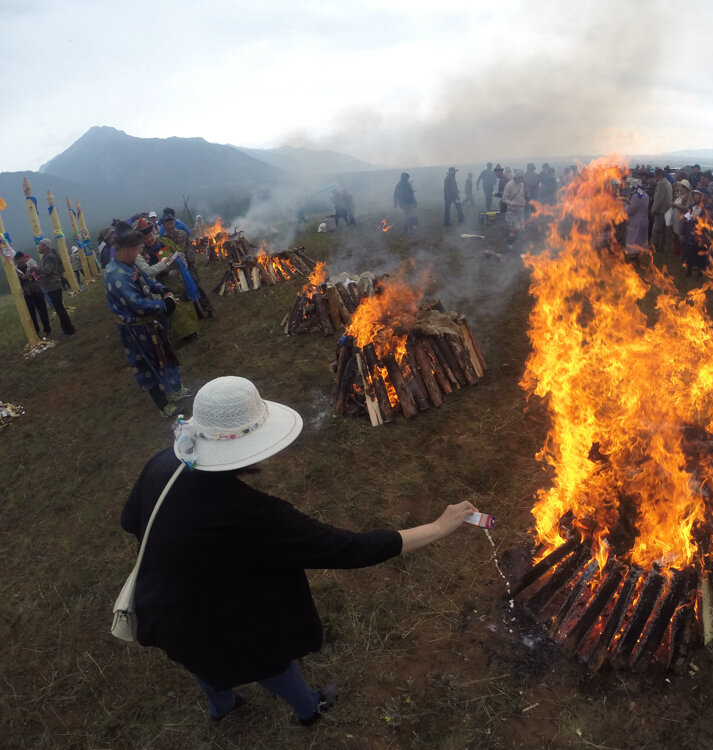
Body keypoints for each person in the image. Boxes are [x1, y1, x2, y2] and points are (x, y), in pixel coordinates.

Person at [120, 375, 478, 724]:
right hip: (226, 620)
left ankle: (222, 706)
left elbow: (129, 519)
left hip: (165, 608)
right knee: (266, 660)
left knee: (201, 659)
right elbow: (349, 549)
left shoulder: (163, 463)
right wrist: (437, 527)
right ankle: (309, 708)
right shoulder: (255, 516)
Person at [104, 221, 188, 416]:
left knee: (166, 356)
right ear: (126, 249)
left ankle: (175, 390)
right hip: (135, 330)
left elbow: (147, 280)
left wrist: (163, 289)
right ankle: (163, 405)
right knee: (148, 366)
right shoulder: (114, 274)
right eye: (136, 249)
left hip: (151, 322)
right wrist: (164, 305)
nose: (139, 252)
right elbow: (136, 304)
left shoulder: (130, 263)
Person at [37, 238, 76, 335]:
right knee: (59, 308)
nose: (39, 247)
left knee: (60, 309)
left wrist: (36, 269)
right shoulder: (47, 257)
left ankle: (69, 329)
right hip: (52, 286)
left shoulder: (49, 257)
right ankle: (66, 328)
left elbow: (47, 271)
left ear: (45, 246)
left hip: (53, 286)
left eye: (41, 245)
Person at [13, 250, 51, 337]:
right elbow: (14, 283)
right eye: (18, 259)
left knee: (43, 311)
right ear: (16, 261)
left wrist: (35, 273)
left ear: (24, 258)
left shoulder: (31, 266)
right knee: (31, 315)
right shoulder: (14, 271)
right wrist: (22, 278)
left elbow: (40, 274)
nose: (21, 260)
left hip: (37, 291)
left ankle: (47, 328)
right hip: (26, 295)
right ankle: (36, 332)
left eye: (22, 258)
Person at [649, 168, 673, 256]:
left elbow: (658, 199)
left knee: (656, 230)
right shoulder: (668, 183)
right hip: (667, 210)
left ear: (659, 175)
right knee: (663, 231)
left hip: (660, 210)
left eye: (656, 176)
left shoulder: (661, 184)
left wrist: (653, 210)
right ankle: (662, 247)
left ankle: (652, 247)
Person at [501, 169, 526, 247]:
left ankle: (516, 240)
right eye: (520, 178)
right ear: (516, 177)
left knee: (521, 227)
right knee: (515, 228)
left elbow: (521, 195)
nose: (522, 180)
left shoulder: (521, 184)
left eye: (523, 178)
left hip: (520, 210)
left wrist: (523, 200)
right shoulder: (509, 185)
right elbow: (504, 199)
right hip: (512, 210)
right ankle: (509, 242)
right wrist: (513, 204)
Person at [625, 180, 649, 261]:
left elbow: (631, 210)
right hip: (645, 220)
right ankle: (639, 255)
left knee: (634, 238)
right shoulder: (646, 195)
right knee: (641, 238)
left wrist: (626, 208)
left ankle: (633, 258)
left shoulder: (635, 196)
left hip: (636, 221)